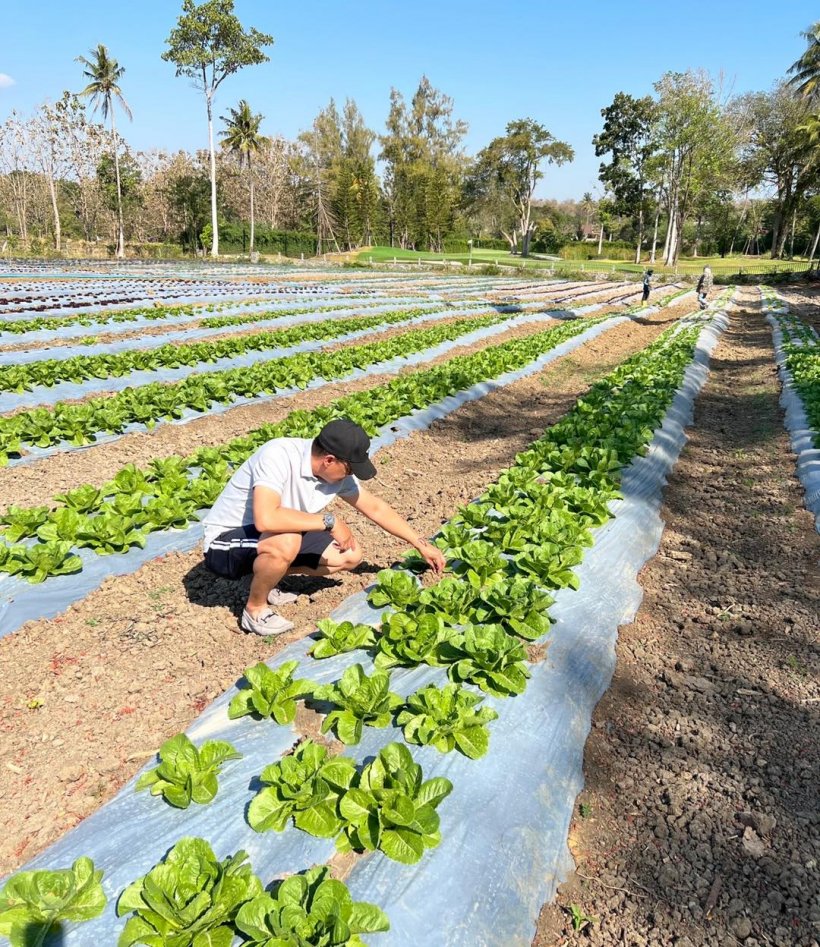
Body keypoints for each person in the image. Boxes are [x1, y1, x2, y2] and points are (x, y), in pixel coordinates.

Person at [201, 418, 446, 636]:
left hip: (273, 537)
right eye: (349, 469)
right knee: (287, 541)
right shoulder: (278, 455)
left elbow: (375, 508)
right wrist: (330, 521)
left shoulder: (336, 475)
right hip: (226, 544)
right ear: (329, 460)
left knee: (350, 555)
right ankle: (254, 609)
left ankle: (265, 579)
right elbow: (267, 519)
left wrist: (420, 544)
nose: (350, 476)